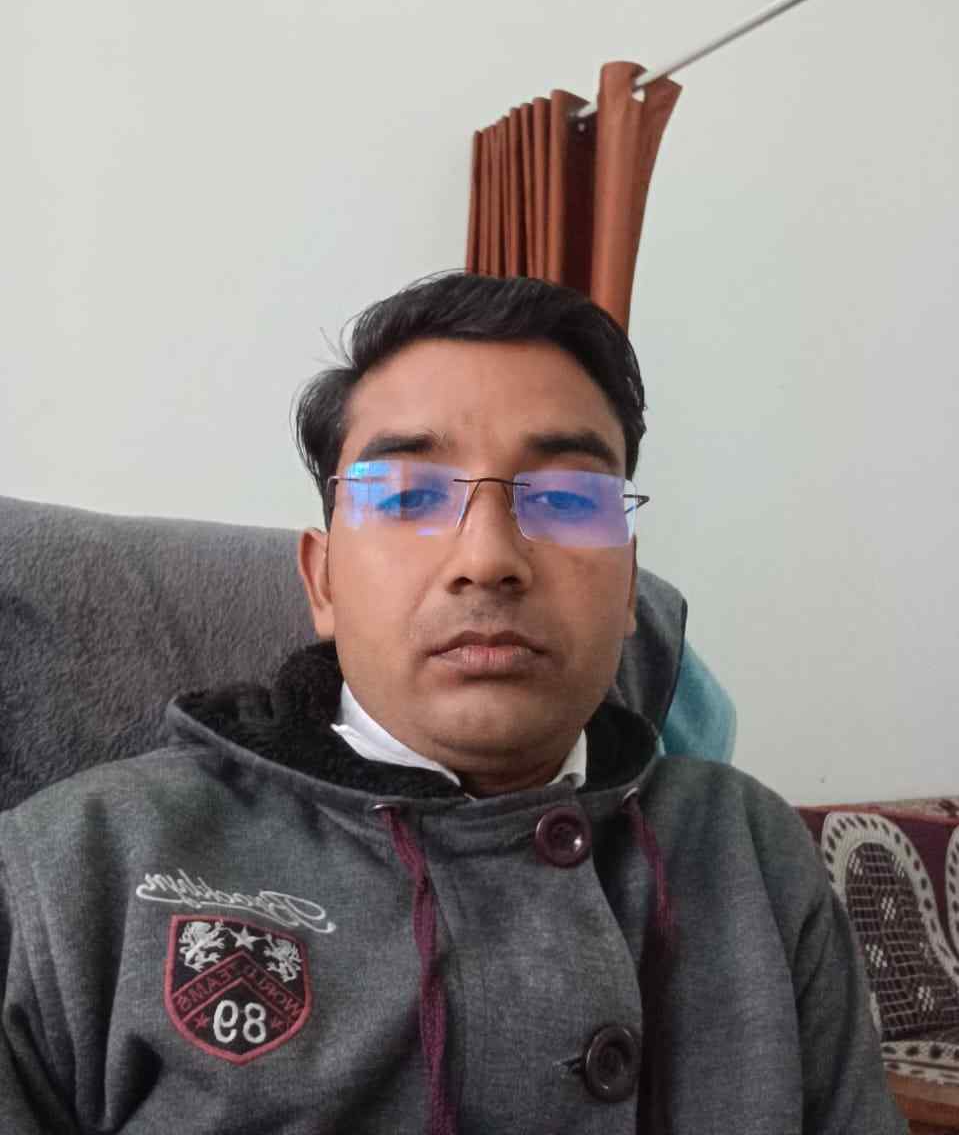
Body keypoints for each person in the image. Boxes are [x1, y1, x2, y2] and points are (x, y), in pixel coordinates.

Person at [0, 272, 904, 1133]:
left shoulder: (746, 851)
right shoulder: (77, 866)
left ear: (629, 582)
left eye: (565, 498)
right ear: (322, 580)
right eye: (406, 496)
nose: (488, 558)